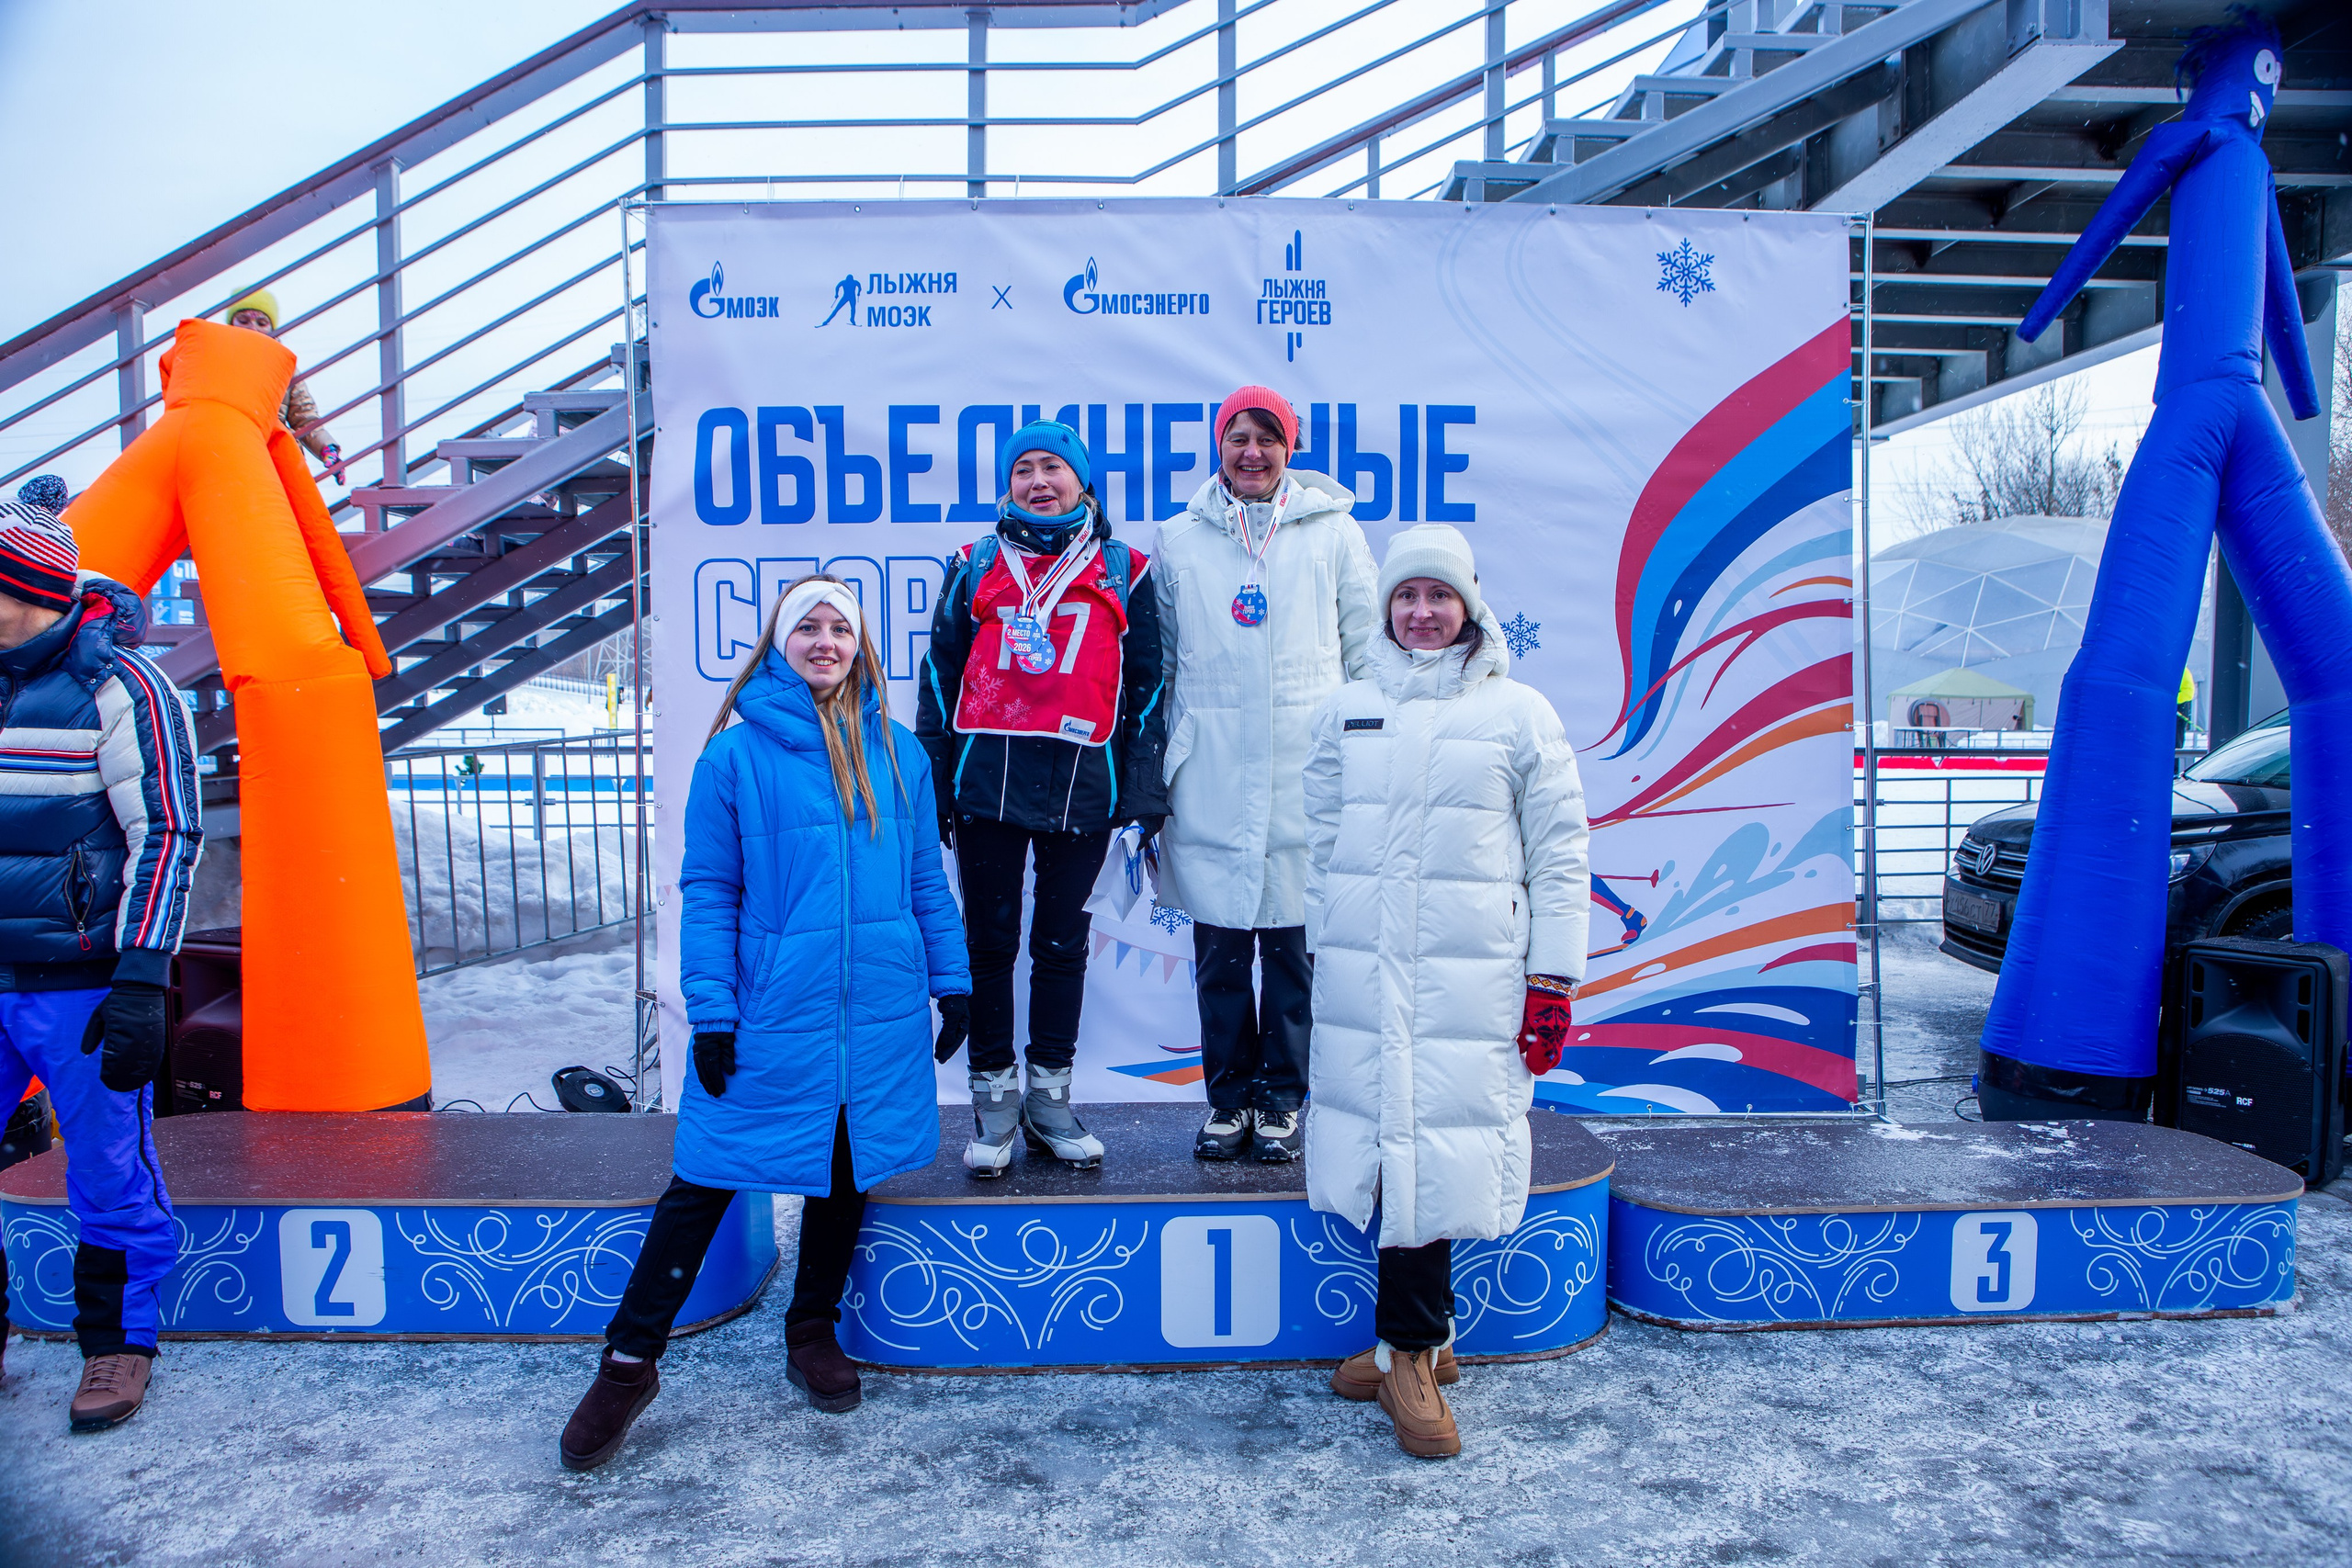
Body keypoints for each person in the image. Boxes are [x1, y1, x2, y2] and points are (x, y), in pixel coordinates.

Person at [560, 576, 968, 1472]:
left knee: (845, 1168)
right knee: (704, 1180)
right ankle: (629, 1362)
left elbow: (925, 882)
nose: (825, 641)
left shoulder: (901, 753)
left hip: (876, 1012)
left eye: (839, 627)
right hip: (772, 1011)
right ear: (780, 643)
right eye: (807, 627)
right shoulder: (734, 758)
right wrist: (711, 1009)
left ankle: (811, 1326)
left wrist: (954, 979)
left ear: (859, 643)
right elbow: (708, 890)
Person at [1302, 524, 1590, 1460]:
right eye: (1404, 597)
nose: (1421, 613)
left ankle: (1411, 1354)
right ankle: (1416, 1340)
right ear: (1384, 608)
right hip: (1363, 974)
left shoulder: (1519, 713)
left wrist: (1552, 977)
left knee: (1433, 1147)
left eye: (1438, 596)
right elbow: (1319, 839)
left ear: (1469, 604)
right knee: (1388, 1151)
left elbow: (1559, 853)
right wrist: (1326, 937)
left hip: (1470, 977)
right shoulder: (1345, 707)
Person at [0, 476, 205, 1433]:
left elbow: (165, 832)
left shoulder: (125, 687)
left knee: (109, 1171)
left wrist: (141, 974)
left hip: (79, 981)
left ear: (28, 592)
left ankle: (118, 1344)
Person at [916, 421, 1168, 1174]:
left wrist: (1141, 791)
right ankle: (993, 1103)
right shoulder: (975, 563)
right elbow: (939, 675)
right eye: (1022, 469)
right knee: (988, 948)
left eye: (1052, 467)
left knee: (1060, 951)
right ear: (1007, 487)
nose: (1037, 481)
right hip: (987, 785)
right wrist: (934, 784)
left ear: (1082, 484)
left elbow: (1150, 687)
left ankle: (1050, 1099)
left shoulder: (1127, 568)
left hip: (1084, 788)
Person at [1152, 387, 1376, 1162]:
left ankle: (1281, 1097)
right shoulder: (1178, 539)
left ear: (1291, 449)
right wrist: (1157, 768)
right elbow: (1163, 662)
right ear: (1219, 444)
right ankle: (1226, 1100)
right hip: (1209, 770)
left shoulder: (1335, 535)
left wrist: (1365, 754)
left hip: (1303, 769)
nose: (1252, 453)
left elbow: (1367, 651)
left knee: (1291, 952)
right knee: (1218, 954)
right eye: (1238, 437)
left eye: (1268, 439)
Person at [223, 289, 345, 483]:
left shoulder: (284, 365)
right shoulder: (218, 360)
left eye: (261, 323)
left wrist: (327, 448)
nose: (253, 328)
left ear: (272, 328)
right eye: (244, 321)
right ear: (231, 324)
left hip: (274, 452)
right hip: (229, 448)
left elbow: (304, 416)